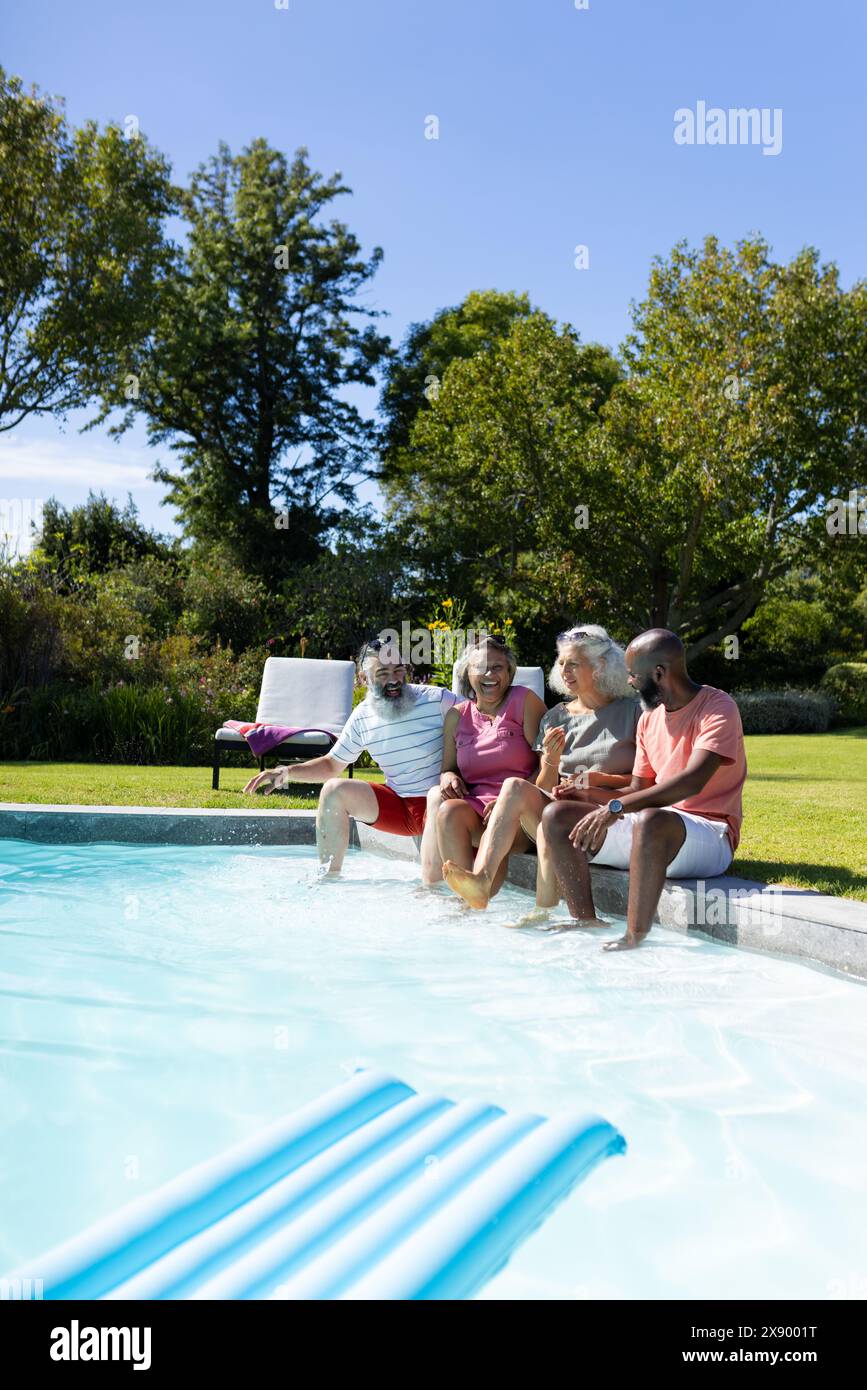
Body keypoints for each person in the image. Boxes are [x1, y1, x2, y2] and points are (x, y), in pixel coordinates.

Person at [538, 628, 747, 950]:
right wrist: (588, 796)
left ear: (659, 673)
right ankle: (585, 919)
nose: (630, 682)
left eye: (634, 675)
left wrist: (615, 809)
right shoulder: (649, 720)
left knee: (651, 820)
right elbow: (638, 790)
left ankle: (634, 936)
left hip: (710, 833)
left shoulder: (717, 707)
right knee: (557, 815)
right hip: (654, 829)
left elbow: (692, 780)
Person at [444, 625, 639, 912]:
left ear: (601, 666)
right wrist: (551, 761)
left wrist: (594, 780)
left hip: (608, 815)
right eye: (561, 663)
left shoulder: (634, 712)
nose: (564, 671)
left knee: (546, 812)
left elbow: (649, 781)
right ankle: (482, 881)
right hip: (558, 812)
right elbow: (546, 787)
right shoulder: (555, 717)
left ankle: (532, 908)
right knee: (515, 787)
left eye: (573, 663)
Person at [244, 636, 458, 881]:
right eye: (383, 673)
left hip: (440, 804)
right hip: (400, 808)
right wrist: (287, 772)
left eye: (399, 670)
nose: (394, 680)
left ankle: (432, 894)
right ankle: (329, 879)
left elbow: (482, 721)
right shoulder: (363, 716)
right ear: (365, 679)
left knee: (437, 797)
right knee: (334, 789)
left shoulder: (437, 700)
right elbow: (331, 764)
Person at [437, 637, 546, 894]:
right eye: (481, 667)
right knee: (448, 812)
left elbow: (549, 763)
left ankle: (479, 894)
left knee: (499, 822)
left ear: (509, 673)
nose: (489, 674)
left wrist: (509, 802)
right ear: (468, 674)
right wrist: (448, 778)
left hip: (524, 809)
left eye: (497, 667)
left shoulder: (524, 701)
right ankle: (467, 898)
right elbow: (447, 768)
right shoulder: (457, 716)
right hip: (479, 807)